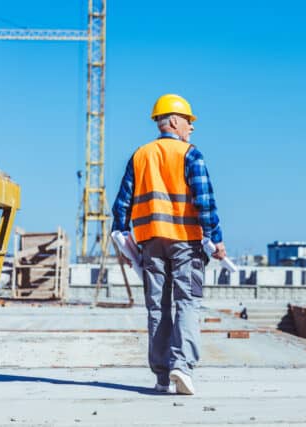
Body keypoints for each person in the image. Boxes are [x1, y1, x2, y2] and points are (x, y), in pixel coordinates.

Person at [111, 94, 226, 395]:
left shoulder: (140, 155)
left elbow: (121, 205)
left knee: (157, 307)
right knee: (187, 302)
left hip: (150, 243)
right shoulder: (191, 154)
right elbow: (205, 201)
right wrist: (215, 238)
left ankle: (162, 376)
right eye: (189, 121)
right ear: (175, 120)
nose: (191, 128)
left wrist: (122, 240)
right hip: (186, 242)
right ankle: (182, 366)